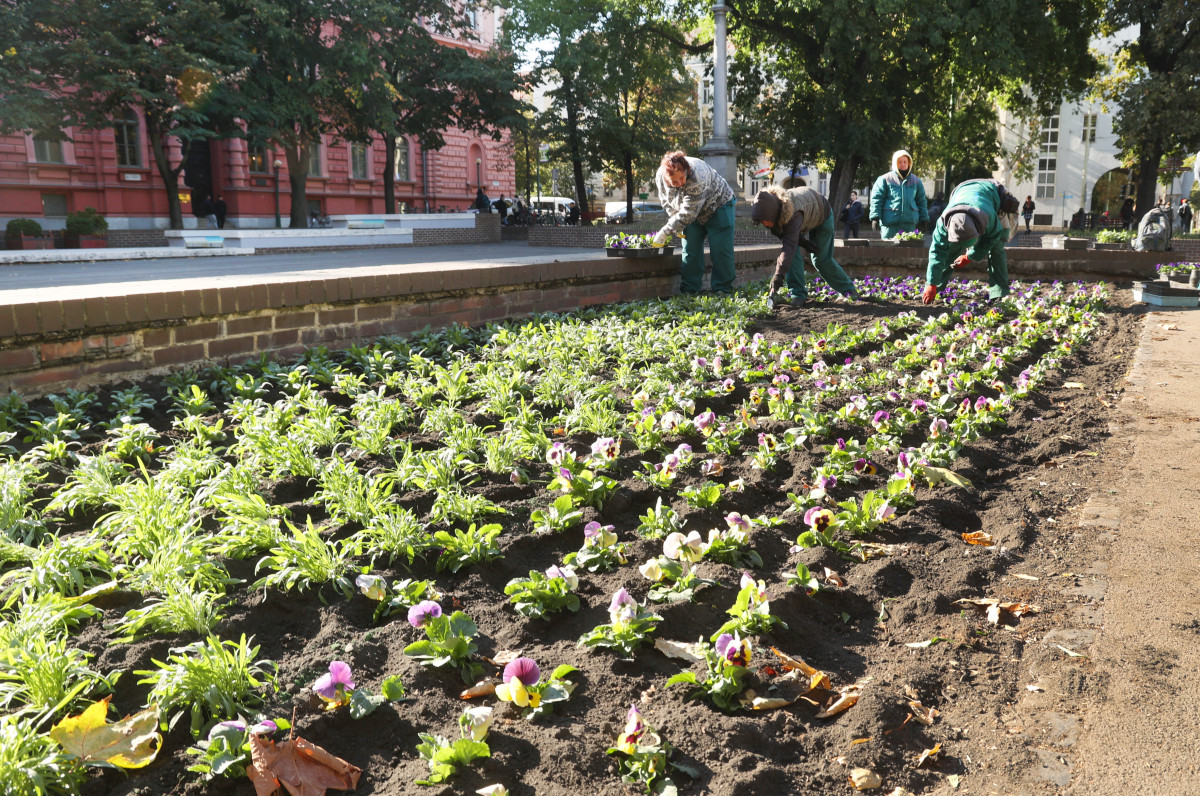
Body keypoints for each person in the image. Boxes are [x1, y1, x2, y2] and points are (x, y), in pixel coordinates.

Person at [750, 185, 859, 305]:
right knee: (793, 256)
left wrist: (779, 275)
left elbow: (789, 245)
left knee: (821, 260)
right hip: (804, 218)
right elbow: (788, 237)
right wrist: (803, 242)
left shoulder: (791, 212)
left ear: (773, 213)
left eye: (766, 221)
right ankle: (798, 295)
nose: (765, 224)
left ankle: (849, 290)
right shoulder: (772, 209)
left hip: (822, 212)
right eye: (762, 222)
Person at [922, 178, 1020, 305]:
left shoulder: (988, 217)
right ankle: (936, 287)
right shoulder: (943, 223)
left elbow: (994, 236)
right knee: (951, 249)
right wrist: (931, 283)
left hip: (992, 193)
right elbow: (937, 252)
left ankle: (1000, 292)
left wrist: (969, 256)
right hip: (961, 190)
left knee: (996, 248)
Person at [651, 151, 737, 294]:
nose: (680, 183)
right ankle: (689, 291)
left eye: (682, 178)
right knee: (690, 250)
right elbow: (666, 201)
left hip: (718, 206)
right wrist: (675, 219)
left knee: (721, 250)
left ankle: (723, 290)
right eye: (674, 182)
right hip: (689, 211)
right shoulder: (660, 176)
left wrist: (666, 231)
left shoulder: (698, 176)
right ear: (665, 177)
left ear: (686, 170)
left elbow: (689, 213)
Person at [869, 149, 929, 238]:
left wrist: (924, 219)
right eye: (900, 162)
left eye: (905, 162)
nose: (903, 164)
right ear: (895, 163)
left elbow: (922, 201)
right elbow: (877, 199)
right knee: (888, 247)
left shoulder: (916, 181)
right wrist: (875, 218)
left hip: (910, 226)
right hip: (890, 226)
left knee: (910, 247)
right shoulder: (884, 179)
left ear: (909, 163)